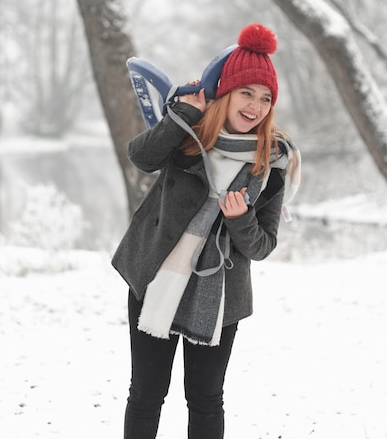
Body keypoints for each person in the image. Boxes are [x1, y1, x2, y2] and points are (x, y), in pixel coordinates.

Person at [112, 23, 300, 439]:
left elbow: (262, 246)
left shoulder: (270, 162)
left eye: (265, 97)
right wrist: (180, 116)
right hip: (155, 277)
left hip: (221, 297)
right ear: (226, 93)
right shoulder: (187, 136)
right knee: (146, 394)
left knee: (205, 399)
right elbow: (141, 157)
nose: (255, 106)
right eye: (246, 93)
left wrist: (240, 219)